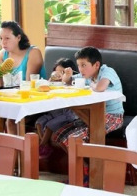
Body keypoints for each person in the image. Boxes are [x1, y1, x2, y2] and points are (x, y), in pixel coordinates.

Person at [52, 47, 124, 184]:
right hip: (90, 116)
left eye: (84, 65)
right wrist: (67, 76)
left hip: (112, 117)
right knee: (59, 135)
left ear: (96, 65)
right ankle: (84, 170)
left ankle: (85, 176)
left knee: (73, 139)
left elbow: (100, 87)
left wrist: (90, 84)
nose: (80, 69)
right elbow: (68, 81)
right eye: (78, 65)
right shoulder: (86, 76)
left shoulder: (107, 71)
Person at [36, 58, 78, 157]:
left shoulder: (71, 84)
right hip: (54, 114)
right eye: (56, 72)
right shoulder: (51, 84)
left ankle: (42, 146)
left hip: (67, 115)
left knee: (49, 125)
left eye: (62, 72)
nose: (58, 75)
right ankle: (46, 146)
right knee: (39, 122)